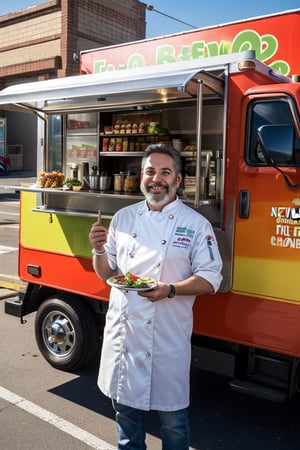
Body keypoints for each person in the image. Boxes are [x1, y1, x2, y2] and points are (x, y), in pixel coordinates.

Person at [89, 143, 223, 449]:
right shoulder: (123, 218)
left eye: (165, 172)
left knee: (174, 424)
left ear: (177, 180)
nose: (156, 179)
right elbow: (107, 273)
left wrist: (170, 289)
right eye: (150, 171)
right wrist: (98, 249)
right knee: (126, 420)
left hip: (167, 339)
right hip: (126, 338)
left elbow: (211, 278)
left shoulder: (195, 224)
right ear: (141, 177)